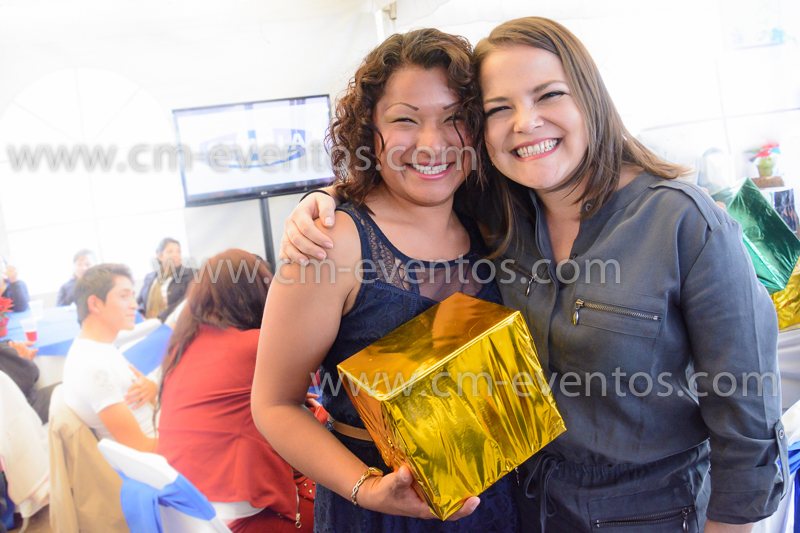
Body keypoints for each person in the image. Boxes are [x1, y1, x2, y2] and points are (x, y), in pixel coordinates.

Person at [279, 18, 786, 532]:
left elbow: (747, 423)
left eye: (548, 95)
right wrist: (324, 199)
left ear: (589, 97)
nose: (525, 122)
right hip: (521, 508)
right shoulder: (501, 213)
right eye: (500, 108)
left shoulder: (682, 222)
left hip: (652, 514)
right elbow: (405, 183)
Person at [251, 28, 519, 533]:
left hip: (495, 501)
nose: (432, 143)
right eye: (405, 120)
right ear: (368, 132)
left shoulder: (491, 220)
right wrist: (368, 489)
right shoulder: (329, 243)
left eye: (454, 117)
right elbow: (274, 404)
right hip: (379, 511)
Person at [157, 249, 322, 532]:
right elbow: (328, 371)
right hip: (242, 515)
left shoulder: (182, 347)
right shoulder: (256, 346)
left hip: (190, 509)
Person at [63, 264, 157, 452]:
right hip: (161, 455)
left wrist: (152, 389)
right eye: (124, 296)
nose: (134, 304)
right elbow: (140, 447)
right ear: (95, 304)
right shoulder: (92, 366)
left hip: (163, 430)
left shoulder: (100, 347)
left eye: (132, 296)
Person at [0, 340, 57, 423]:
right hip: (18, 414)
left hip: (9, 408)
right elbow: (27, 379)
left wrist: (10, 348)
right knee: (69, 391)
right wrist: (22, 360)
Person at [137, 238, 193, 321]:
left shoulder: (190, 274)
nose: (176, 255)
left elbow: (185, 301)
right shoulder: (150, 277)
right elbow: (140, 301)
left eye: (178, 251)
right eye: (170, 251)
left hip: (174, 323)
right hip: (147, 323)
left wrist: (160, 318)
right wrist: (141, 314)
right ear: (160, 256)